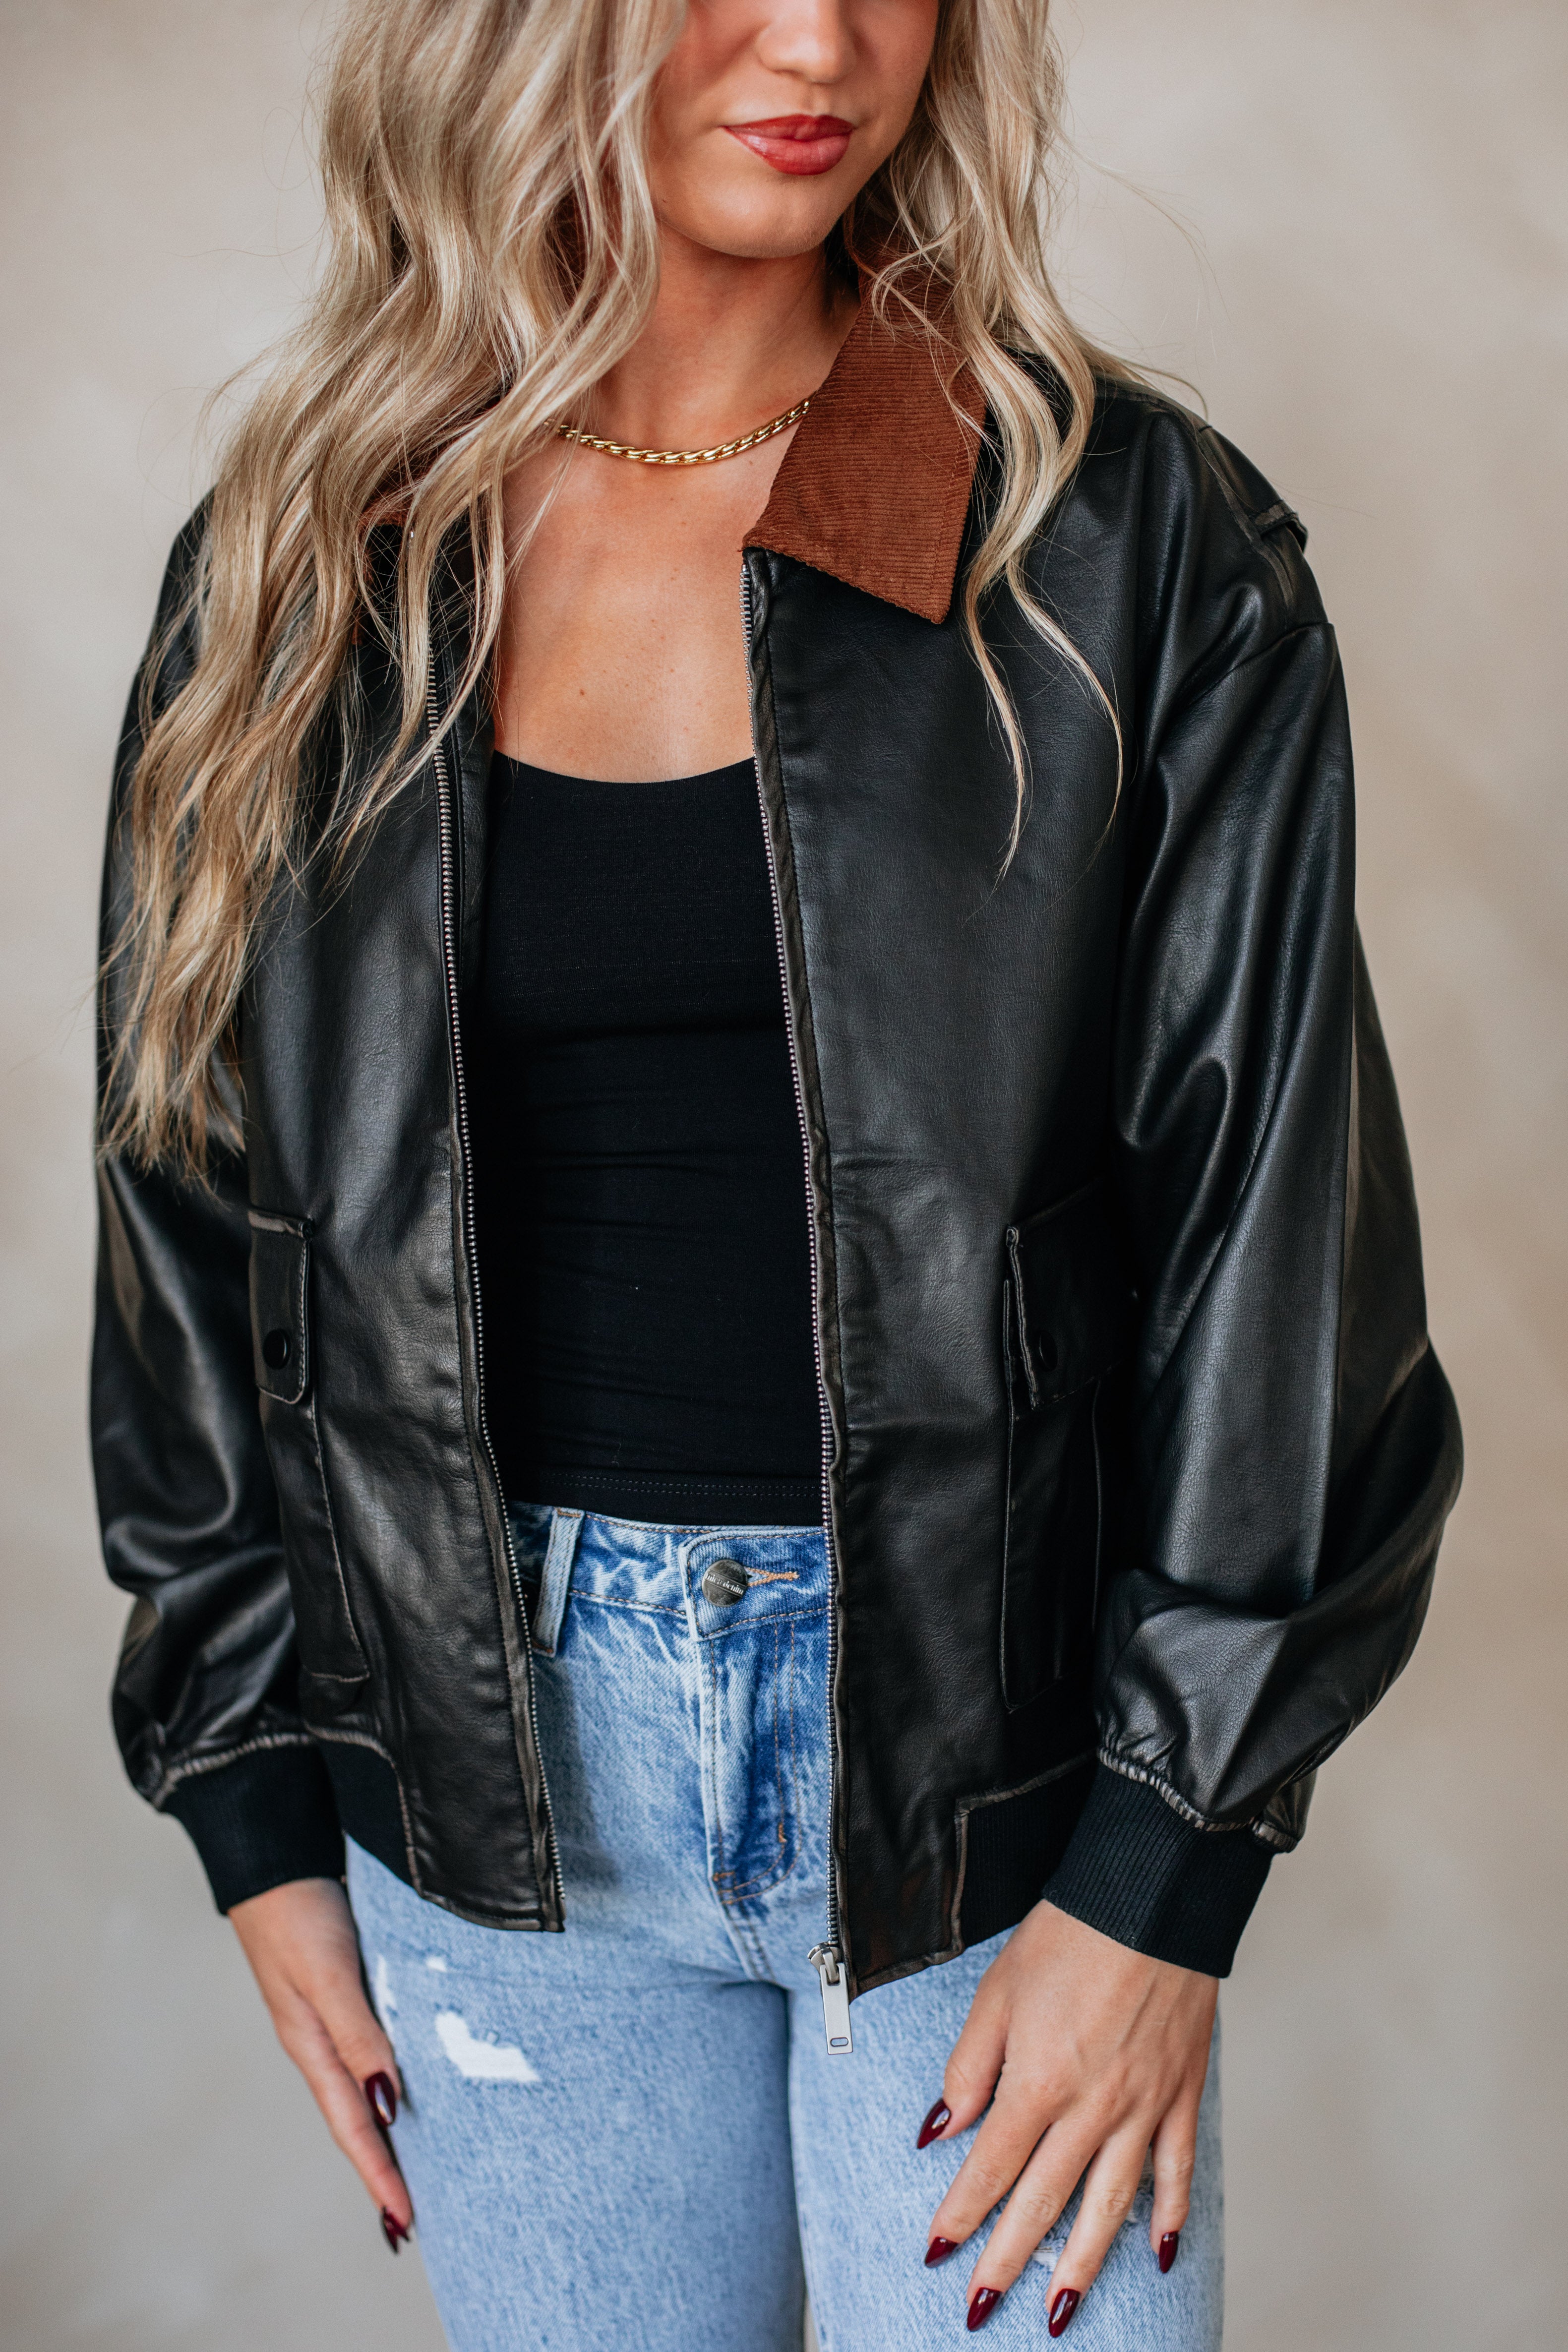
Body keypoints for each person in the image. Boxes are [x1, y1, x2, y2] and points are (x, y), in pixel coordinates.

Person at [91, 1, 1462, 2345]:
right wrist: (247, 1793)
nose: (818, 40)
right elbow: (191, 1201)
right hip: (481, 1783)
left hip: (985, 1774)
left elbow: (1277, 1238)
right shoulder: (323, 554)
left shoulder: (1108, 536)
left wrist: (1159, 1873)